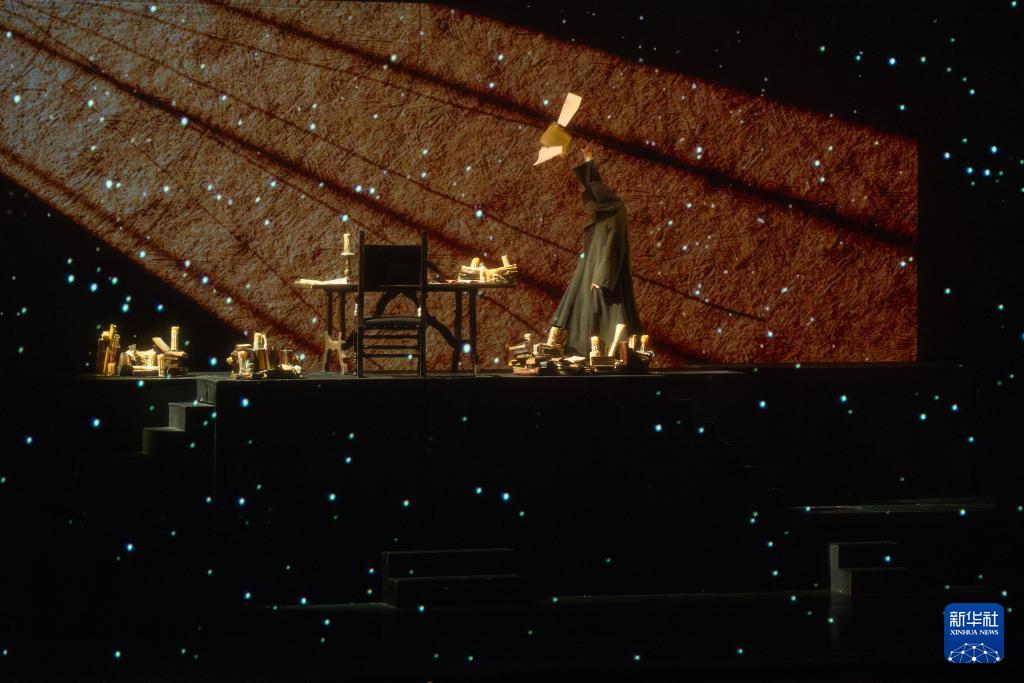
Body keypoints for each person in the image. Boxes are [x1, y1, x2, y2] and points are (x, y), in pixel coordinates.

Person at [551, 142, 641, 356]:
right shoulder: (604, 211)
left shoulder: (617, 211)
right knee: (583, 311)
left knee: (607, 315)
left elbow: (615, 246)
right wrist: (589, 161)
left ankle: (609, 355)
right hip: (591, 266)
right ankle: (583, 352)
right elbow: (595, 186)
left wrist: (602, 278)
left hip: (604, 274)